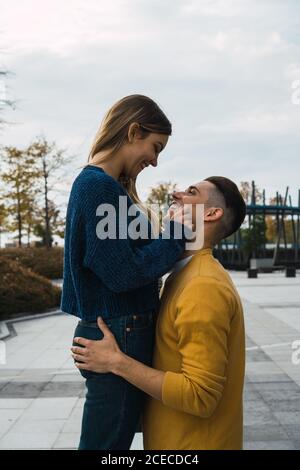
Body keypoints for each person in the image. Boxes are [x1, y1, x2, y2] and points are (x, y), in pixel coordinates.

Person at [71, 176, 247, 450]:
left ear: (212, 214)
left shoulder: (203, 286)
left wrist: (116, 362)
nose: (175, 194)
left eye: (191, 192)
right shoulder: (183, 273)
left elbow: (199, 396)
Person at [61, 94, 192, 450]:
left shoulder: (106, 186)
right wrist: (177, 235)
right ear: (134, 131)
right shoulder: (98, 187)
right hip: (118, 330)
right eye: (155, 146)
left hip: (118, 329)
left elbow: (122, 259)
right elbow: (123, 274)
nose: (155, 160)